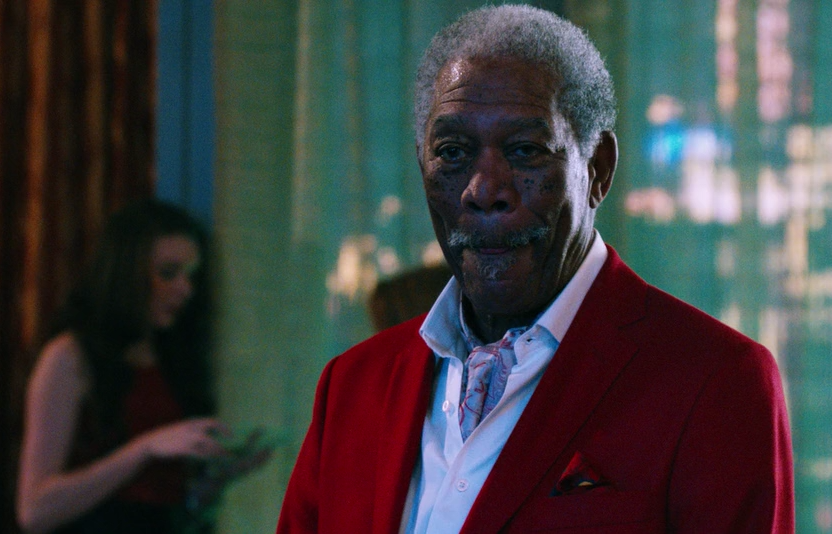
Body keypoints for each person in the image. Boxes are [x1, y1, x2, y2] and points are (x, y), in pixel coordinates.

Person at [278, 5, 794, 533]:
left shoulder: (714, 382)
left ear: (598, 169)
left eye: (525, 150)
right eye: (452, 152)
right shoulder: (351, 387)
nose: (484, 190)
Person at [17, 199, 231, 534]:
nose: (185, 289)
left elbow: (167, 503)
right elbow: (34, 510)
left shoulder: (171, 354)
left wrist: (220, 477)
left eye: (191, 276)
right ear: (126, 274)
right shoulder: (70, 356)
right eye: (168, 273)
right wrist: (144, 449)